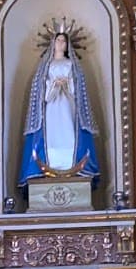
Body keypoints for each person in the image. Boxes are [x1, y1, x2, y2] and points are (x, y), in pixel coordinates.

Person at [18, 26, 100, 187]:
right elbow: (42, 87)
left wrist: (68, 84)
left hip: (67, 103)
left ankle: (71, 166)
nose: (61, 43)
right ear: (53, 43)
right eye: (58, 40)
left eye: (64, 41)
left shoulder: (71, 64)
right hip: (52, 105)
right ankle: (51, 165)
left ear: (68, 45)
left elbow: (78, 86)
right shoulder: (46, 66)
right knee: (51, 132)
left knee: (69, 129)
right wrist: (53, 84)